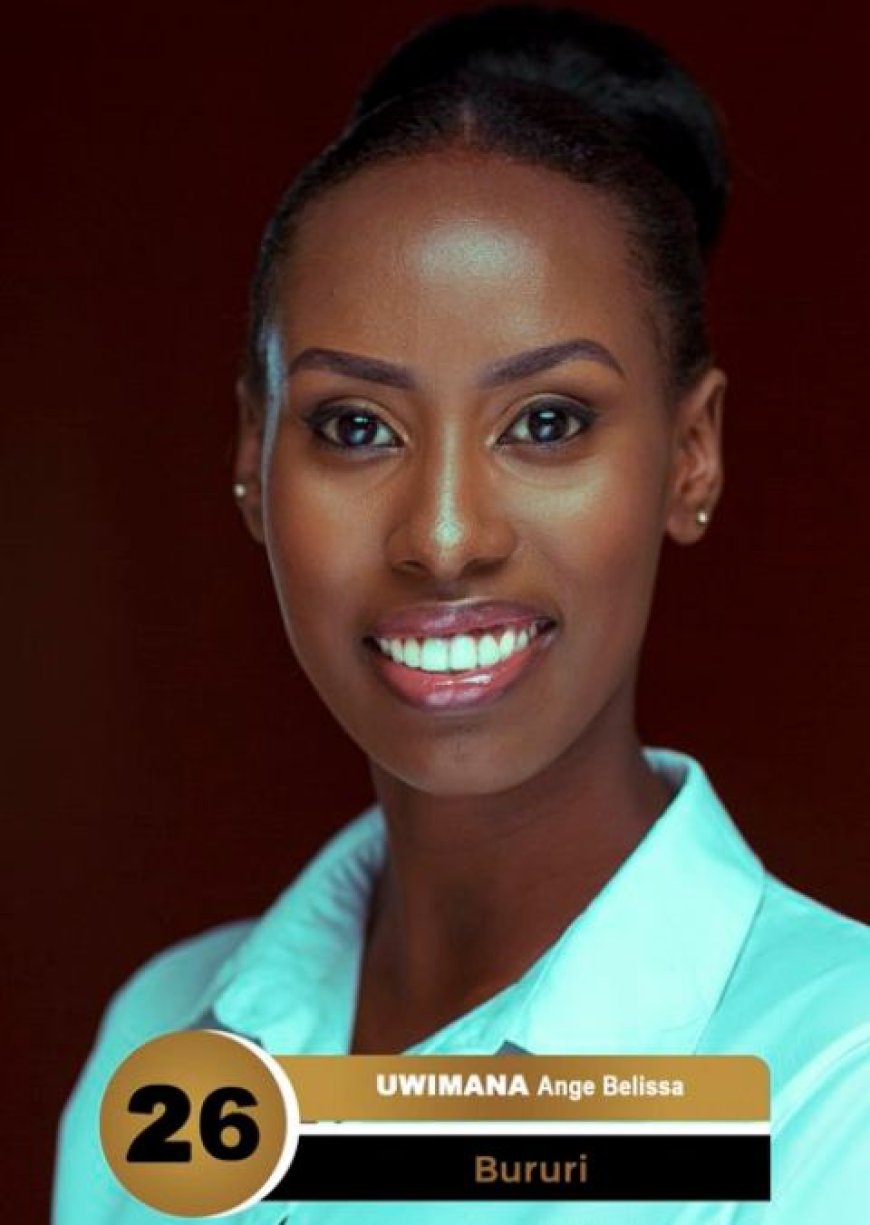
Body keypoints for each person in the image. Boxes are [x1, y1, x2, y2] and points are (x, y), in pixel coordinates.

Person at [54, 5, 870, 1222]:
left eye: (546, 421)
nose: (444, 535)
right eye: (354, 426)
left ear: (691, 455)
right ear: (252, 460)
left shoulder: (831, 1087)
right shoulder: (163, 1042)